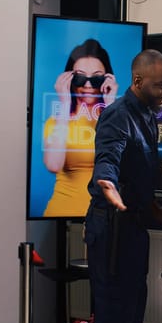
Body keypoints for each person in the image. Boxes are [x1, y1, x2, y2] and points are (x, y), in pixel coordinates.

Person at [84, 49, 162, 323]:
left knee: (134, 308)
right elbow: (108, 157)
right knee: (115, 315)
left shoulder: (146, 114)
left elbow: (136, 167)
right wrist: (107, 183)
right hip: (112, 228)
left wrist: (149, 204)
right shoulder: (118, 115)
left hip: (133, 225)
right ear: (137, 80)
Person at [43, 38, 118, 217]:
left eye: (97, 78)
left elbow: (123, 164)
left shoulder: (114, 119)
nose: (87, 85)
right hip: (63, 211)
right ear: (69, 79)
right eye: (80, 77)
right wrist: (65, 102)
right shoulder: (56, 121)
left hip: (106, 218)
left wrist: (111, 106)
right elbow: (53, 165)